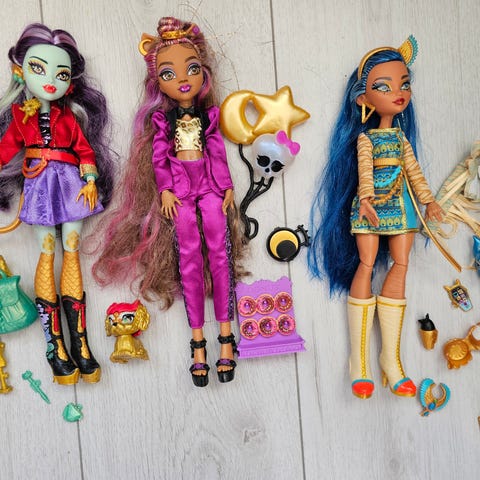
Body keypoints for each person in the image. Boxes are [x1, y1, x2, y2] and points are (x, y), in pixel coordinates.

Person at [92, 17, 246, 387]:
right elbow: (159, 158)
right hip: (179, 191)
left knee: (220, 254)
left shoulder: (209, 115)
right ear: (157, 81)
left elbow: (217, 152)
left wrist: (226, 186)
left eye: (192, 69)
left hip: (210, 188)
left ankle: (226, 340)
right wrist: (164, 190)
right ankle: (198, 344)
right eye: (168, 73)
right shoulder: (163, 121)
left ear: (203, 72)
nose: (182, 80)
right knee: (188, 259)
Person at [308, 36, 443, 399]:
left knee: (401, 264)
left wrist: (429, 202)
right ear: (363, 99)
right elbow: (365, 171)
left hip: (402, 207)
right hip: (371, 206)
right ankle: (360, 362)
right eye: (384, 87)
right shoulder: (365, 139)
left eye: (403, 84)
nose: (398, 93)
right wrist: (366, 199)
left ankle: (391, 360)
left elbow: (415, 174)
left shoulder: (401, 140)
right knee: (366, 265)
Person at [0, 23, 115, 385]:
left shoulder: (68, 117)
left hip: (71, 186)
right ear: (20, 71)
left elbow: (84, 150)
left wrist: (91, 180)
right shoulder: (21, 117)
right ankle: (56, 348)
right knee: (47, 253)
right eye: (39, 69)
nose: (50, 80)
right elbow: (5, 150)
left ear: (71, 82)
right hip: (39, 186)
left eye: (61, 74)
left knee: (72, 249)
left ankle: (80, 344)